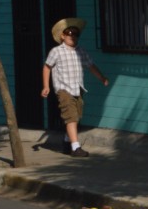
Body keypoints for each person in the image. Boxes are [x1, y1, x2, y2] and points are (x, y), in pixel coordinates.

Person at [41, 17, 109, 157]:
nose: (73, 36)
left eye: (76, 34)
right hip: (64, 89)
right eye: (69, 33)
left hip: (78, 89)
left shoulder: (80, 51)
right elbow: (47, 67)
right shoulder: (56, 51)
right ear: (63, 36)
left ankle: (67, 142)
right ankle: (75, 147)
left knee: (76, 117)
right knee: (70, 117)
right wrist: (46, 86)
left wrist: (102, 78)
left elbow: (91, 66)